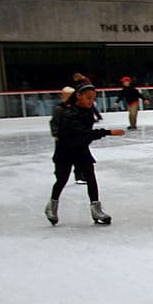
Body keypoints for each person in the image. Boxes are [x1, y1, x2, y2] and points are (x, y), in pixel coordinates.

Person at [44, 84, 126, 226]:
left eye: (93, 98)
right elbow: (82, 133)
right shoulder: (68, 112)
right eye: (88, 98)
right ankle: (51, 205)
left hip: (80, 148)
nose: (91, 101)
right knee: (62, 179)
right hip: (65, 150)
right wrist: (108, 132)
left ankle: (96, 209)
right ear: (78, 96)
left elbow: (85, 134)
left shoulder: (87, 111)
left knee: (90, 177)